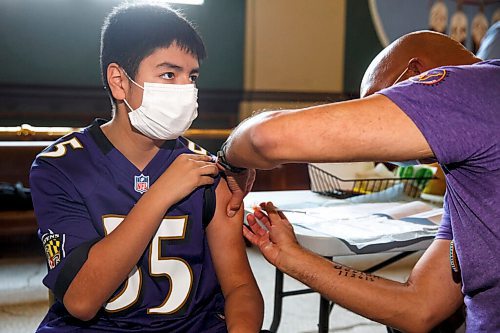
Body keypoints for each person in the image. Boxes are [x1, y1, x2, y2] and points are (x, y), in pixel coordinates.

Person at [218, 31, 499, 332]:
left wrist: (229, 159)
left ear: (418, 76)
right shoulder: (468, 175)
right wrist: (293, 257)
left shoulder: (468, 87)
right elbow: (420, 307)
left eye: (382, 101)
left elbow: (266, 136)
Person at [30, 3, 263, 332]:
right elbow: (81, 303)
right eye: (169, 74)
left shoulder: (209, 170)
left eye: (192, 76)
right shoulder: (61, 167)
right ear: (119, 82)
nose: (185, 89)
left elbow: (240, 288)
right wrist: (160, 195)